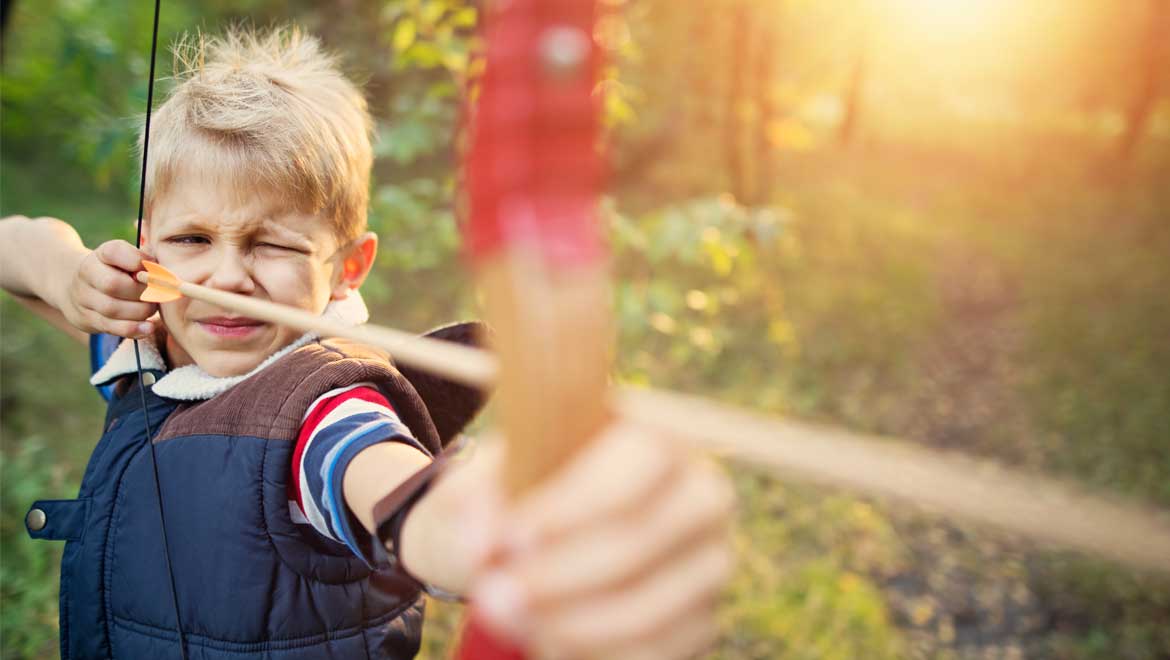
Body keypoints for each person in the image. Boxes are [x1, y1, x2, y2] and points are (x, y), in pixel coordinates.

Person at [0, 26, 733, 660]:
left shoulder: (326, 408)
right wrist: (69, 275)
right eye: (192, 238)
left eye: (272, 244)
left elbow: (408, 501)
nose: (227, 274)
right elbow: (13, 249)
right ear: (146, 246)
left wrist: (513, 536)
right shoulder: (151, 344)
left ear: (347, 267)